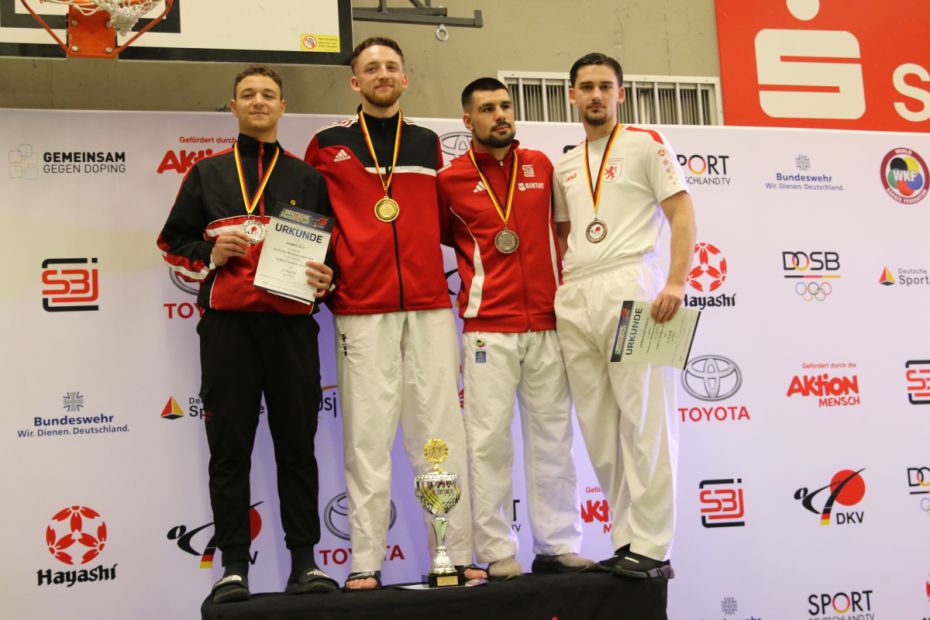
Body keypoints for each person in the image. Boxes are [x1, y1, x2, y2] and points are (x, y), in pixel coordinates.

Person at [157, 65, 338, 603]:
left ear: (283, 107)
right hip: (228, 330)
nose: (258, 102)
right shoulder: (206, 173)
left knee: (297, 447)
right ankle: (234, 568)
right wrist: (210, 253)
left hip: (290, 329)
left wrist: (327, 280)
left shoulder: (307, 178)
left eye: (268, 95)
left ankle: (304, 563)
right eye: (247, 95)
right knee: (229, 449)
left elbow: (331, 255)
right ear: (233, 107)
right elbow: (172, 243)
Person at [304, 37, 476, 590]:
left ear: (405, 78)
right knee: (367, 439)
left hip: (427, 305)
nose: (382, 74)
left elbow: (449, 221)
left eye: (391, 67)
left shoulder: (427, 143)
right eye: (371, 68)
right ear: (355, 82)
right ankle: (366, 561)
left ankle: (451, 555)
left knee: (439, 435)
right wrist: (324, 277)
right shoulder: (328, 144)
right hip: (362, 307)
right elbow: (310, 221)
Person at [437, 77, 592, 580]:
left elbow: (563, 232)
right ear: (468, 120)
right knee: (487, 443)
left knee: (553, 439)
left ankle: (558, 544)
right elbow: (444, 240)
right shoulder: (450, 181)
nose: (500, 115)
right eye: (487, 108)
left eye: (505, 106)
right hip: (488, 328)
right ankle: (498, 551)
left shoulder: (541, 166)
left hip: (547, 323)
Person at [552, 53, 697, 579]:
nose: (595, 95)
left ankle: (653, 545)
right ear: (571, 94)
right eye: (586, 86)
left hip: (633, 284)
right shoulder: (565, 164)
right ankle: (626, 540)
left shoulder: (646, 142)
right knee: (599, 428)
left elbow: (681, 212)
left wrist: (676, 280)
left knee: (647, 420)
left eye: (605, 86)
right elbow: (563, 234)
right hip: (577, 293)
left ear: (620, 93)